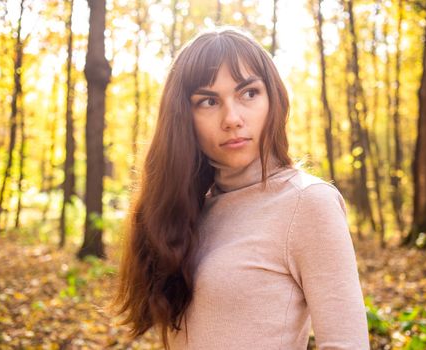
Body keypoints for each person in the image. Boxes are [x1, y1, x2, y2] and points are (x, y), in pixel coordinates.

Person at [115, 27, 370, 349]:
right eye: (208, 101)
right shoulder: (190, 208)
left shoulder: (308, 202)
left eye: (248, 93)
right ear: (184, 117)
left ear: (273, 98)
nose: (232, 118)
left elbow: (346, 344)